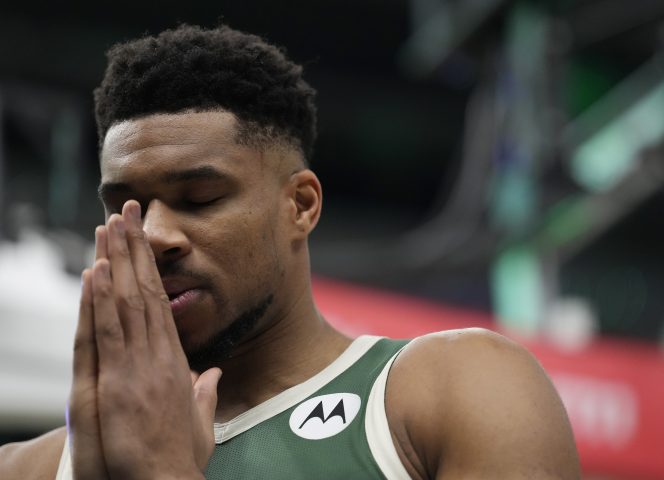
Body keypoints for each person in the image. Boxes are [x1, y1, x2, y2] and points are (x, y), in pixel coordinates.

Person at [0, 25, 580, 479]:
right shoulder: (27, 470)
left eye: (199, 199)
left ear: (300, 205)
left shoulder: (455, 390)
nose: (152, 235)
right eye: (125, 206)